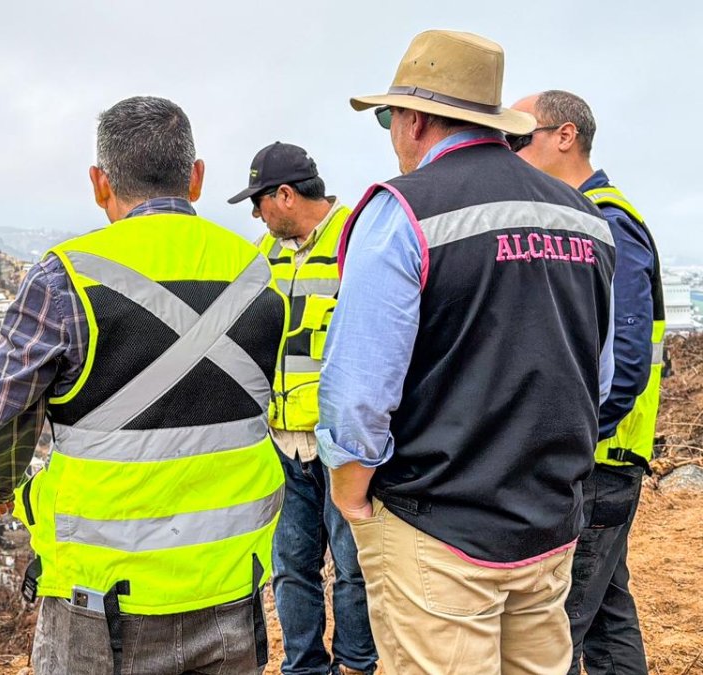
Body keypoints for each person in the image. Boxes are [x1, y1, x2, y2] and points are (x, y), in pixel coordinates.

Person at [316, 30, 617, 675]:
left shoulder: (401, 212)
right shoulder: (585, 219)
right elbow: (598, 376)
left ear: (414, 118)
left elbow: (358, 393)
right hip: (546, 523)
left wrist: (350, 491)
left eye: (387, 118)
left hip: (436, 529)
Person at [0, 95, 288, 675]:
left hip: (102, 607)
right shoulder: (259, 274)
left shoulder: (65, 277)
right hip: (232, 591)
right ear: (196, 178)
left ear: (99, 183)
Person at [513, 89, 662, 675]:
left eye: (519, 139)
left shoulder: (607, 222)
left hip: (599, 458)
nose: (509, 153)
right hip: (602, 457)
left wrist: (566, 441)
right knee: (607, 615)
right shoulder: (583, 216)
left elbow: (625, 362)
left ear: (565, 136)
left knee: (554, 631)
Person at [228, 143, 376, 675]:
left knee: (354, 566)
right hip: (281, 445)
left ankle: (357, 663)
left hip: (342, 443)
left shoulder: (358, 241)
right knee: (291, 567)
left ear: (285, 195)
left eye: (259, 202)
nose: (255, 215)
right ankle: (305, 667)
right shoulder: (262, 258)